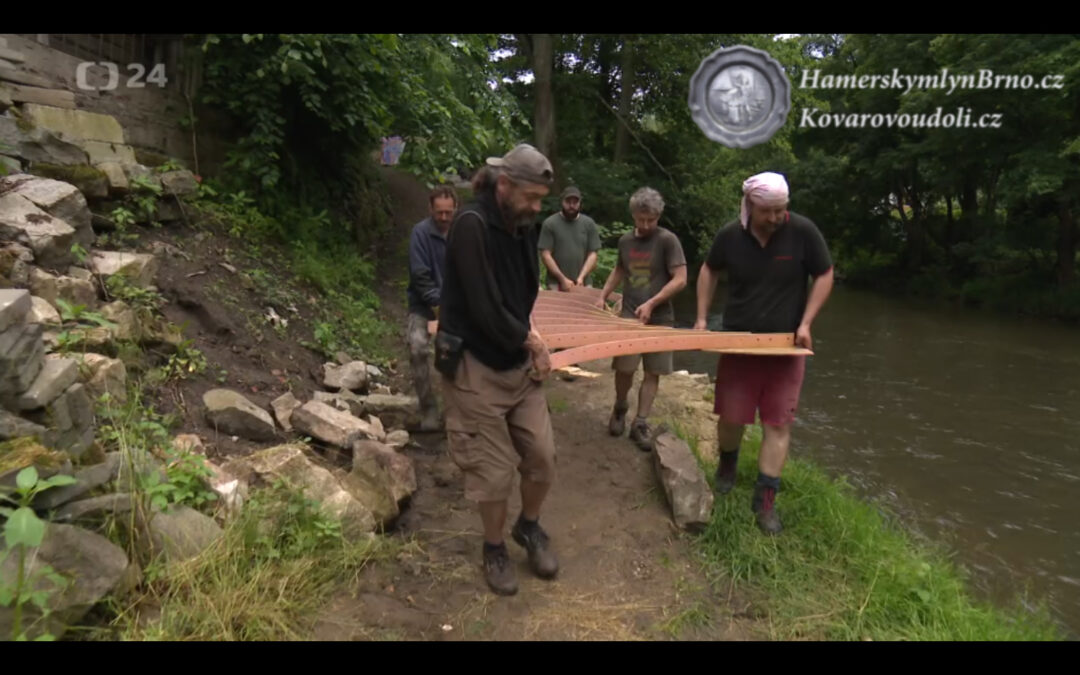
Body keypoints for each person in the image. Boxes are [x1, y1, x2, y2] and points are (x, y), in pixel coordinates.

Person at [438, 143, 559, 596]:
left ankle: (528, 527)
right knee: (493, 473)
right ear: (504, 186)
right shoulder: (470, 226)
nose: (536, 207)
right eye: (531, 197)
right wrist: (534, 343)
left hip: (516, 364)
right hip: (474, 365)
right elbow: (486, 308)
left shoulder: (524, 225)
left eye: (540, 200)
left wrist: (530, 340)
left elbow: (523, 295)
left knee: (542, 458)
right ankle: (493, 547)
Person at [693, 171, 834, 535]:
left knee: (778, 422)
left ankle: (765, 498)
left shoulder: (803, 232)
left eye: (781, 210)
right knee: (731, 417)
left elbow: (825, 273)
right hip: (738, 341)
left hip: (786, 346)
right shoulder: (729, 235)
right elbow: (708, 270)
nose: (775, 218)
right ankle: (727, 466)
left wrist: (806, 323)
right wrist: (701, 319)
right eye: (767, 211)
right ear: (749, 206)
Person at [596, 187, 687, 451]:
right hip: (628, 316)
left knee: (653, 371)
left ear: (658, 216)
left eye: (651, 219)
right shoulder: (625, 241)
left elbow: (681, 279)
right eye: (641, 219)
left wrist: (652, 302)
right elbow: (620, 270)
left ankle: (641, 422)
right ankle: (620, 406)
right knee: (624, 368)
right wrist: (603, 295)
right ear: (633, 215)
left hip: (660, 317)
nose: (646, 224)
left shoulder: (668, 240)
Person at [406, 186, 458, 431]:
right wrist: (437, 305)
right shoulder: (420, 233)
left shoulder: (462, 233)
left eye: (448, 212)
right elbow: (420, 274)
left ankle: (456, 413)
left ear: (455, 209)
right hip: (424, 306)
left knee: (458, 356)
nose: (444, 218)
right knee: (417, 349)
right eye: (440, 213)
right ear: (430, 209)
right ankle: (428, 409)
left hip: (456, 307)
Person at [539, 186, 602, 291]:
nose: (571, 206)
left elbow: (593, 254)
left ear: (580, 203)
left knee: (586, 307)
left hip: (584, 283)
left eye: (575, 202)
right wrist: (562, 279)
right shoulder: (550, 224)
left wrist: (581, 278)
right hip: (556, 283)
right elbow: (545, 255)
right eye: (568, 202)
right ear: (562, 202)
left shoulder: (589, 224)